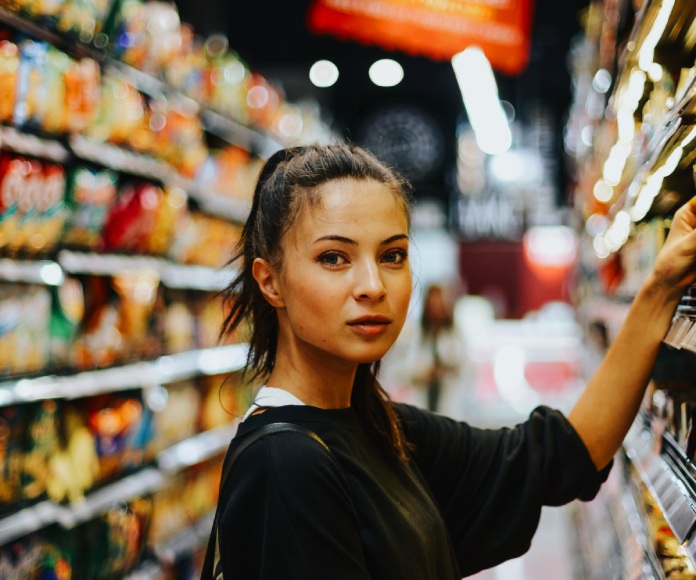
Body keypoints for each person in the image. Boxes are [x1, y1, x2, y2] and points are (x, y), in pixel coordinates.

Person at [210, 144, 696, 579]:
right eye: (334, 258)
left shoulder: (380, 427)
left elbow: (558, 457)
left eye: (393, 256)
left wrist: (661, 287)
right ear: (270, 281)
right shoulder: (285, 465)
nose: (373, 286)